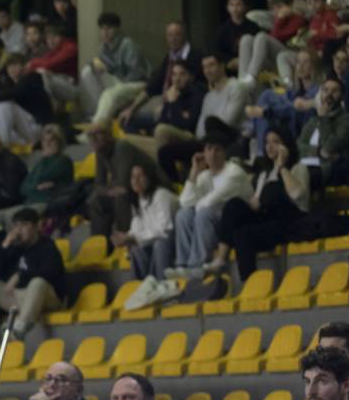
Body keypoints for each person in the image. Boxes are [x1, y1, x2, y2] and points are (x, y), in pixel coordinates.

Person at [205, 126, 310, 280]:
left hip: (290, 222)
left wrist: (281, 167)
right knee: (233, 205)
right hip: (267, 219)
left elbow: (297, 195)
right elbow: (256, 204)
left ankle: (251, 282)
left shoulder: (298, 168)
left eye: (276, 142)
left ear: (286, 145)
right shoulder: (264, 175)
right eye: (267, 142)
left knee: (244, 235)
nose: (270, 146)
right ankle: (221, 258)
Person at [165, 123, 252, 279]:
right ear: (203, 153)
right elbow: (184, 203)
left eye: (217, 149)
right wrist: (193, 173)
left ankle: (196, 266)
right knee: (183, 215)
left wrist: (196, 205)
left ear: (225, 153)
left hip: (234, 227)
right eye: (208, 149)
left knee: (203, 213)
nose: (212, 154)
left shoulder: (234, 172)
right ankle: (182, 265)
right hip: (211, 224)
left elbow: (209, 203)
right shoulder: (204, 176)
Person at [0, 207, 66, 339]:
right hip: (20, 297)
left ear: (36, 226)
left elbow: (50, 273)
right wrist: (5, 246)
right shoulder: (16, 247)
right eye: (16, 226)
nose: (19, 230)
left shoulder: (47, 246)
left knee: (38, 282)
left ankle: (20, 327)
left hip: (46, 297)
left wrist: (20, 276)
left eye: (24, 225)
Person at [113, 162, 178, 288]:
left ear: (150, 177)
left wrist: (133, 238)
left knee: (159, 244)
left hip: (173, 241)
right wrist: (126, 237)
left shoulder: (161, 194)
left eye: (140, 175)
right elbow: (136, 229)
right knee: (136, 249)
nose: (136, 180)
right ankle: (142, 288)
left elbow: (165, 230)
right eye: (133, 176)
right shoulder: (137, 200)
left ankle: (161, 286)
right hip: (154, 242)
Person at [80, 11, 150, 126]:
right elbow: (103, 67)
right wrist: (94, 65)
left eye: (109, 28)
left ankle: (97, 125)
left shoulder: (128, 44)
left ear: (117, 29)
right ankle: (93, 113)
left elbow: (137, 73)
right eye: (102, 28)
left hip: (135, 82)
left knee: (109, 93)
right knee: (87, 72)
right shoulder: (104, 46)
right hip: (119, 80)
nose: (105, 32)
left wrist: (114, 78)